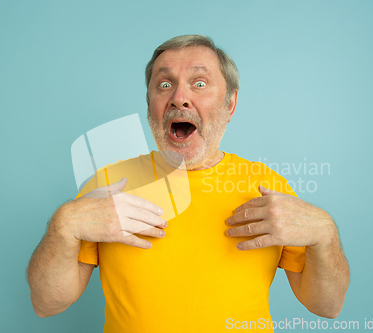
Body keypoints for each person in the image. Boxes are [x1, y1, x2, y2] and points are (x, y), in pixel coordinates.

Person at [27, 35, 349, 332]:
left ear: (230, 104)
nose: (179, 97)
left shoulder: (267, 186)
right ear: (150, 103)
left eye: (199, 83)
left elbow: (327, 305)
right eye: (164, 84)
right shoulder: (110, 185)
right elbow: (46, 304)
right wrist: (63, 225)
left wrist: (325, 232)